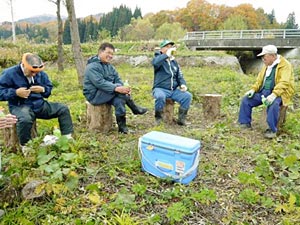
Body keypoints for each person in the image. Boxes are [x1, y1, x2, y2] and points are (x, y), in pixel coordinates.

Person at [0, 53, 74, 149]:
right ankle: (26, 147)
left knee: (63, 109)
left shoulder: (40, 74)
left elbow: (48, 89)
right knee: (25, 119)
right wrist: (15, 93)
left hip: (39, 105)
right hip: (19, 106)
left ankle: (67, 138)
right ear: (24, 65)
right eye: (32, 71)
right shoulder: (9, 73)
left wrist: (43, 90)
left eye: (37, 72)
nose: (34, 74)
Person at [83, 42, 148, 134]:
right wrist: (117, 89)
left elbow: (118, 79)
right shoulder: (92, 67)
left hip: (107, 94)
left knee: (120, 100)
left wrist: (123, 88)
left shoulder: (110, 67)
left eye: (112, 54)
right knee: (121, 93)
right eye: (108, 53)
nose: (110, 56)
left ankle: (122, 128)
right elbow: (100, 83)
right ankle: (135, 109)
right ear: (100, 52)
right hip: (94, 95)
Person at [238, 45, 295, 139]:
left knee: (273, 104)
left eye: (265, 56)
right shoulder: (267, 65)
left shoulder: (285, 65)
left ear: (272, 56)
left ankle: (271, 129)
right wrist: (253, 89)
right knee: (246, 100)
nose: (263, 59)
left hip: (279, 93)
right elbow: (259, 80)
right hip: (264, 92)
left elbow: (284, 83)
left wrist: (273, 95)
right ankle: (244, 123)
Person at [152, 39, 192, 125]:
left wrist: (182, 84)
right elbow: (155, 63)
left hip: (173, 90)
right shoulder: (158, 59)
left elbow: (179, 76)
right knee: (160, 97)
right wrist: (166, 55)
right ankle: (158, 119)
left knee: (187, 96)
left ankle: (182, 119)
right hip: (160, 88)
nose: (169, 49)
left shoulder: (174, 62)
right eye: (167, 47)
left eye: (171, 47)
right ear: (161, 50)